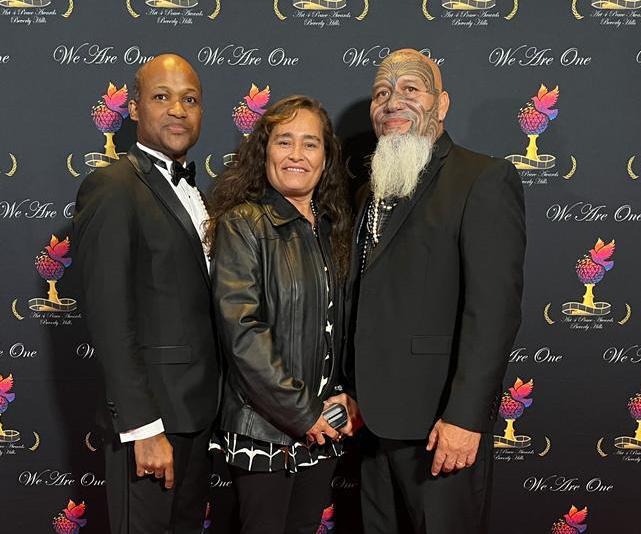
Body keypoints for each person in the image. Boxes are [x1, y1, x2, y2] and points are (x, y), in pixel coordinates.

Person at [348, 48, 526, 533]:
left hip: (440, 428)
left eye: (411, 89)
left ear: (441, 104)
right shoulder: (370, 192)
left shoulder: (482, 179)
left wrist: (466, 418)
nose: (393, 102)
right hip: (372, 427)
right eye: (382, 93)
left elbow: (494, 312)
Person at [73, 54, 219, 534]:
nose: (178, 109)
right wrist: (144, 428)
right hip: (151, 425)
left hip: (199, 417)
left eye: (190, 99)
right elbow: (110, 318)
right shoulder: (113, 187)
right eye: (162, 96)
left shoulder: (201, 193)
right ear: (134, 108)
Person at [205, 95, 361, 534]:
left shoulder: (333, 228)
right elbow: (243, 333)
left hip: (324, 430)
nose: (297, 155)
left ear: (326, 157)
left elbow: (346, 327)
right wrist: (303, 413)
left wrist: (348, 397)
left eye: (310, 144)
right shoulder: (243, 224)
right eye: (284, 141)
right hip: (265, 430)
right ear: (265, 151)